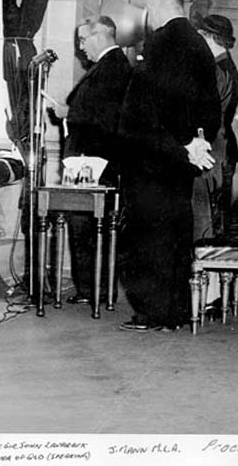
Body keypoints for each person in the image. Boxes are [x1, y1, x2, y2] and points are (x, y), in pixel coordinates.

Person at [117, 0, 220, 332]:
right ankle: (174, 311)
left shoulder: (160, 43)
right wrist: (195, 144)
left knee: (148, 238)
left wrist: (170, 146)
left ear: (155, 7)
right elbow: (210, 109)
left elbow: (142, 111)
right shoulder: (200, 46)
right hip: (183, 161)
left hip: (152, 161)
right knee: (176, 234)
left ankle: (152, 312)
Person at [62, 16, 131, 305]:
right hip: (92, 163)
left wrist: (68, 116)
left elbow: (105, 119)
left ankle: (94, 290)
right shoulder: (108, 66)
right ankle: (90, 288)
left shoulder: (113, 68)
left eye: (82, 39)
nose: (80, 47)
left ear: (101, 35)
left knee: (88, 228)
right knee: (86, 229)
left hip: (95, 166)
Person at [193, 14, 238, 239]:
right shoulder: (227, 67)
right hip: (220, 151)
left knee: (206, 224)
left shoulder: (216, 71)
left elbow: (204, 118)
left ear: (208, 37)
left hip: (212, 154)